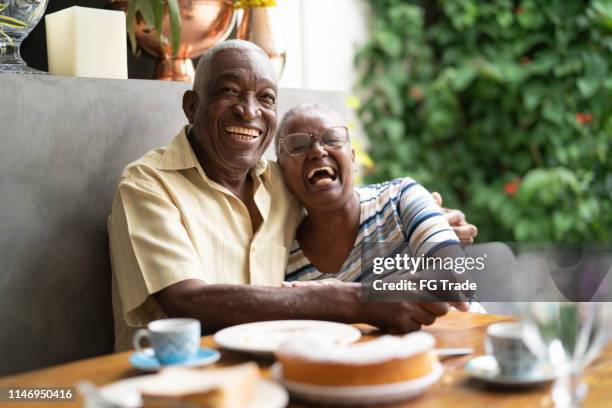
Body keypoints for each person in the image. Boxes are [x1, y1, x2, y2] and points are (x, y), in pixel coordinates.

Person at [108, 40, 476, 351]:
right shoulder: (147, 185)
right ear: (191, 106)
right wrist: (354, 298)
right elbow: (185, 303)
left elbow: (338, 196)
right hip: (168, 386)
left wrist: (417, 213)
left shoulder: (279, 184)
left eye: (265, 98)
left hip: (268, 380)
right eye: (229, 91)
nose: (249, 110)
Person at [276, 104, 472, 286]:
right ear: (282, 171)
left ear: (352, 158)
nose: (318, 151)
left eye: (332, 139)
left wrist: (347, 298)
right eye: (298, 146)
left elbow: (454, 278)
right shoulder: (286, 262)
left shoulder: (399, 198)